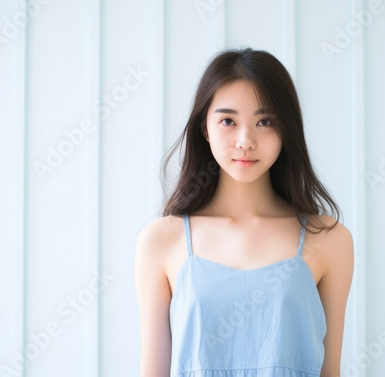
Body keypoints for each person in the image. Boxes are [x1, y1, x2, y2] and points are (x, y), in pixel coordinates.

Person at [134, 47, 354, 377]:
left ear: (285, 130)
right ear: (205, 129)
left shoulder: (329, 239)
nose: (245, 140)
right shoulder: (162, 239)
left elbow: (330, 371)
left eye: (264, 121)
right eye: (227, 121)